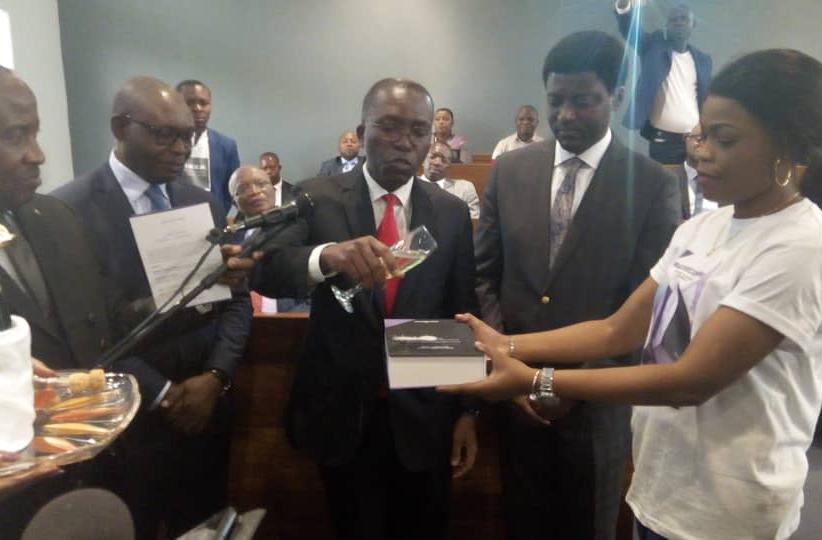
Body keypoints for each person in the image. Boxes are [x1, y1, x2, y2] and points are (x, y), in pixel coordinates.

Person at [445, 48, 822, 540]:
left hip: (731, 503)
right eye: (701, 135)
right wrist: (505, 345)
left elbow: (689, 380)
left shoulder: (799, 245)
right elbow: (617, 329)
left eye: (724, 139)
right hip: (662, 484)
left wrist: (538, 379)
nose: (700, 153)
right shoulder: (704, 228)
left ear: (787, 148)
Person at [473, 31, 680, 540]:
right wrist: (510, 366)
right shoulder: (510, 170)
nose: (565, 115)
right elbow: (484, 274)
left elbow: (649, 305)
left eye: (584, 101)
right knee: (520, 523)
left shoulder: (651, 183)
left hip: (596, 405)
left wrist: (568, 385)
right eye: (555, 100)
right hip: (514, 398)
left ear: (617, 97)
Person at [252, 78, 479, 540]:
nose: (405, 142)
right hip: (343, 414)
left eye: (418, 130)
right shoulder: (317, 196)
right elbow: (264, 268)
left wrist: (467, 412)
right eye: (389, 127)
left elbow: (461, 311)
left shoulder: (451, 213)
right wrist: (326, 257)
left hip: (424, 413)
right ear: (362, 131)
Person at [53, 76, 252, 539]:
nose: (181, 149)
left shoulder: (202, 202)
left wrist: (216, 377)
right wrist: (163, 394)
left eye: (189, 136)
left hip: (208, 411)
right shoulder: (68, 211)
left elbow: (235, 300)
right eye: (165, 135)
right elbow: (84, 330)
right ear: (120, 127)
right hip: (128, 424)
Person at [615, 0, 712, 165]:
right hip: (663, 141)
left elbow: (704, 98)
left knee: (697, 181)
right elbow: (630, 31)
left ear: (693, 23)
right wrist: (624, 6)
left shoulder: (703, 60)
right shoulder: (653, 47)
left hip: (695, 140)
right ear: (667, 25)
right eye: (673, 19)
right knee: (666, 181)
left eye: (683, 18)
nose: (679, 22)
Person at [228, 165, 308, 313]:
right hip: (242, 317)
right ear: (234, 202)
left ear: (273, 190)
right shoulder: (228, 241)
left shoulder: (301, 226)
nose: (255, 192)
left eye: (261, 184)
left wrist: (291, 318)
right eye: (243, 189)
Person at [177, 79, 240, 213]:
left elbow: (231, 189)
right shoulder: (165, 143)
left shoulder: (226, 145)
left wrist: (218, 213)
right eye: (189, 103)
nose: (197, 108)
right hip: (173, 215)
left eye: (203, 103)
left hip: (211, 216)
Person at [422, 141, 480, 219]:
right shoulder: (409, 185)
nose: (437, 163)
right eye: (433, 157)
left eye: (444, 160)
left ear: (449, 166)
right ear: (423, 160)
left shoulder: (465, 189)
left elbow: (473, 221)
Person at [681, 124, 717, 217]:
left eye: (710, 141)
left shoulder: (726, 180)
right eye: (699, 139)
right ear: (686, 138)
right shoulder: (669, 180)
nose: (704, 145)